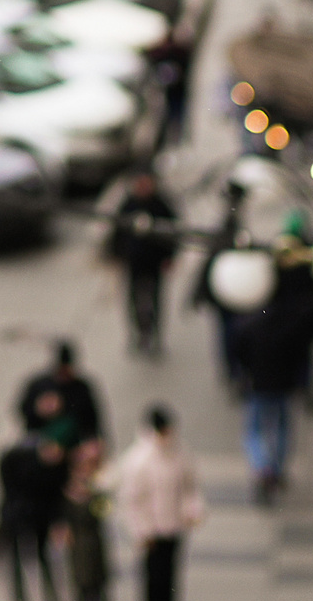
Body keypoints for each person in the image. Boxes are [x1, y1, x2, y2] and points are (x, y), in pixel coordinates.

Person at [232, 213, 313, 503]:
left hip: (257, 385)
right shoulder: (289, 328)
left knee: (255, 429)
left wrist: (242, 374)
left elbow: (239, 352)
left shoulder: (249, 327)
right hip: (282, 386)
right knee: (281, 428)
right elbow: (300, 353)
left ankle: (262, 467)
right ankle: (275, 468)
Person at [112, 404, 203, 601]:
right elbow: (131, 501)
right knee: (153, 579)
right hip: (151, 531)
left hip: (174, 526)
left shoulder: (179, 452)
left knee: (171, 575)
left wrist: (192, 511)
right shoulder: (138, 460)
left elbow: (189, 486)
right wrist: (141, 532)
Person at [0, 428, 67, 601]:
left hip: (37, 519)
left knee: (44, 561)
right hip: (18, 518)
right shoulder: (15, 458)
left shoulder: (54, 467)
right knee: (18, 572)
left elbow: (55, 498)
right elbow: (8, 490)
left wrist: (56, 522)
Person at [105, 173, 181, 356]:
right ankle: (138, 334)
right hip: (134, 262)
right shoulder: (128, 205)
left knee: (155, 299)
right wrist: (116, 255)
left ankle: (155, 336)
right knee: (133, 299)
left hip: (155, 261)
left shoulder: (161, 205)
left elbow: (173, 233)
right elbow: (117, 231)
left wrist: (170, 257)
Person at [184, 180, 250, 391]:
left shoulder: (228, 227)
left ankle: (235, 372)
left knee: (230, 335)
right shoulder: (230, 229)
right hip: (229, 294)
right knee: (233, 334)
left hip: (230, 293)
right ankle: (236, 373)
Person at [61, 439, 113, 601]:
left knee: (96, 584)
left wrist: (95, 488)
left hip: (94, 543)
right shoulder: (68, 492)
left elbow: (105, 510)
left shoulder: (97, 490)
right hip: (78, 546)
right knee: (81, 584)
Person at [19, 340, 105, 451]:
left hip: (74, 440)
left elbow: (91, 418)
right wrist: (40, 410)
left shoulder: (81, 387)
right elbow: (24, 411)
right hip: (40, 436)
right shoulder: (39, 385)